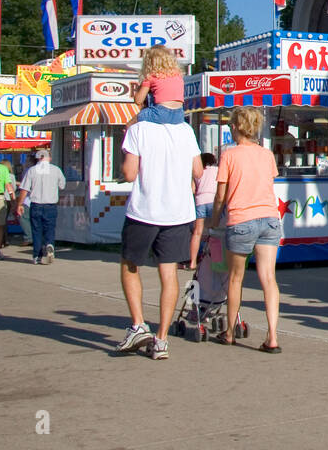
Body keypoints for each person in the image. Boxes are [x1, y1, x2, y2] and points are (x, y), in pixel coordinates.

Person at [116, 105, 202, 359]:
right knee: (169, 272)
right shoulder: (186, 130)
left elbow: (129, 173)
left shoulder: (138, 129)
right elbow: (198, 171)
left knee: (130, 265)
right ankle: (162, 339)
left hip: (145, 210)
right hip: (178, 211)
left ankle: (139, 324)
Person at [207, 107, 283, 352]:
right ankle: (272, 337)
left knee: (236, 278)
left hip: (241, 220)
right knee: (269, 279)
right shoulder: (266, 154)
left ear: (236, 127)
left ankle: (229, 332)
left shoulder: (229, 155)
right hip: (269, 218)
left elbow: (221, 195)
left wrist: (214, 219)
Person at [16, 148, 67, 265]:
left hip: (36, 205)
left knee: (36, 230)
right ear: (49, 158)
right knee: (50, 228)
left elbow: (24, 189)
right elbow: (62, 186)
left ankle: (37, 256)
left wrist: (19, 204)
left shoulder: (31, 171)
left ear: (38, 158)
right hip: (51, 205)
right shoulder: (56, 170)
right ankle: (49, 244)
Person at [133, 45, 186, 124]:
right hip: (179, 115)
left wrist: (139, 88)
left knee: (138, 117)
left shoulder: (151, 77)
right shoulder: (178, 76)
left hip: (161, 113)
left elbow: (138, 100)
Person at [189, 152, 218, 270]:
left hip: (200, 201)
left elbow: (192, 189)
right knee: (215, 231)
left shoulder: (197, 172)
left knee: (197, 232)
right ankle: (215, 260)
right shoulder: (217, 170)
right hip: (213, 200)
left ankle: (192, 262)